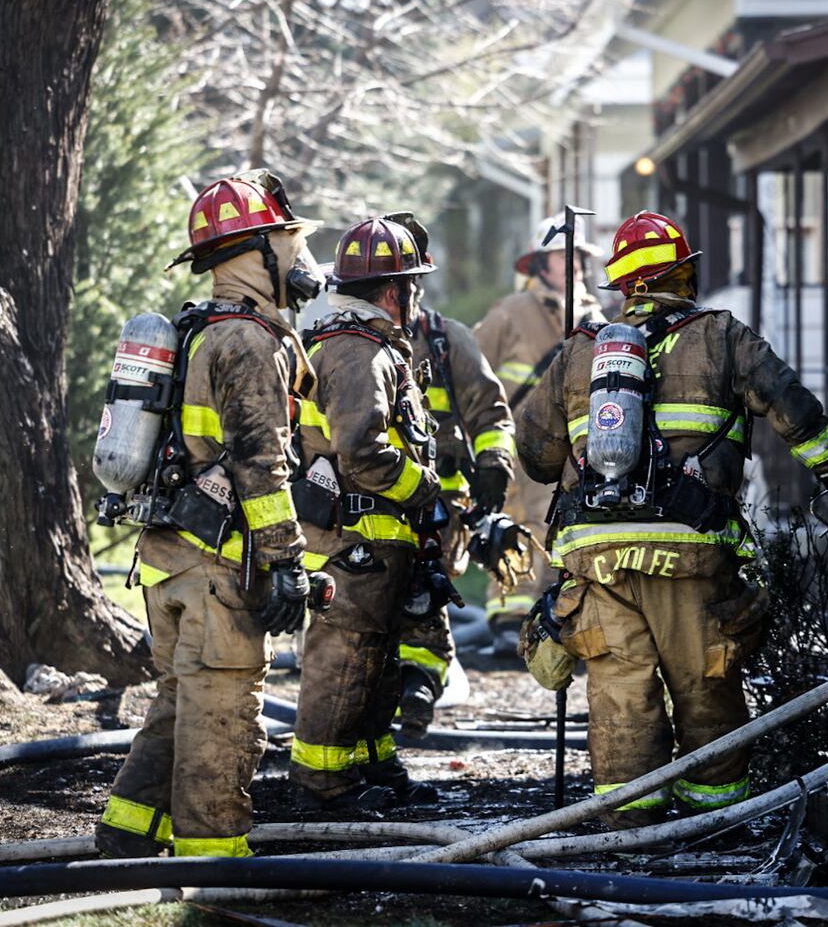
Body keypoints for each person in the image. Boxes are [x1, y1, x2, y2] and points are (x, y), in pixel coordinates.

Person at [516, 211, 828, 828]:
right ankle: (712, 824)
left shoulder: (579, 351)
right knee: (705, 689)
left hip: (597, 558)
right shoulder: (723, 336)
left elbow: (537, 457)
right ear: (685, 273)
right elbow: (793, 407)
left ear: (623, 286)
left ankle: (628, 831)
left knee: (620, 696)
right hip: (690, 550)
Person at [95, 171, 324, 858]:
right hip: (217, 569)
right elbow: (261, 462)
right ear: (256, 253)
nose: (300, 260)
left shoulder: (200, 329)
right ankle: (215, 860)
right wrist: (289, 562)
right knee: (222, 712)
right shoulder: (250, 340)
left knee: (177, 703)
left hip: (168, 559)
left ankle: (126, 836)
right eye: (288, 243)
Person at [288, 215, 443, 808]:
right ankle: (321, 785)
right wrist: (423, 489)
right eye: (412, 286)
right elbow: (362, 450)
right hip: (353, 540)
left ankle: (375, 767)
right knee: (344, 660)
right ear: (392, 291)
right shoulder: (358, 353)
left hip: (373, 542)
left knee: (374, 663)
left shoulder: (360, 347)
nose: (416, 298)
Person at [387, 213, 517, 737]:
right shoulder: (346, 345)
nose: (401, 292)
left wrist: (494, 464)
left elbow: (491, 412)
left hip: (437, 508)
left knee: (425, 603)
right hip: (364, 506)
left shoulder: (445, 340)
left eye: (408, 280)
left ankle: (416, 688)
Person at [473, 217, 605, 650]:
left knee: (571, 530)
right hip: (522, 446)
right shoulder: (510, 313)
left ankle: (557, 621)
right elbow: (471, 374)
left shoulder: (595, 318)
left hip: (579, 449)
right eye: (561, 257)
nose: (574, 266)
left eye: (579, 258)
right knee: (522, 526)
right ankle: (509, 621)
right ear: (539, 265)